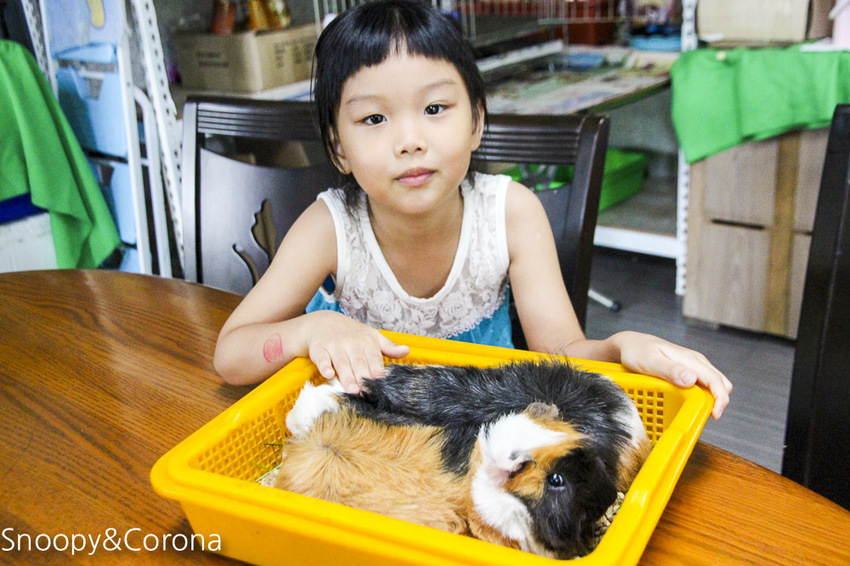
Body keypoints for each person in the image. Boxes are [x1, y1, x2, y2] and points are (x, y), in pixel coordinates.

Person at [214, 0, 732, 418]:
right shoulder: (330, 226)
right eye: (373, 118)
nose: (410, 140)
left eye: (435, 109)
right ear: (338, 147)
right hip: (361, 430)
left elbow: (563, 354)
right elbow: (231, 354)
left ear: (477, 122)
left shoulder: (511, 214)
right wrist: (309, 331)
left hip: (479, 432)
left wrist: (620, 347)